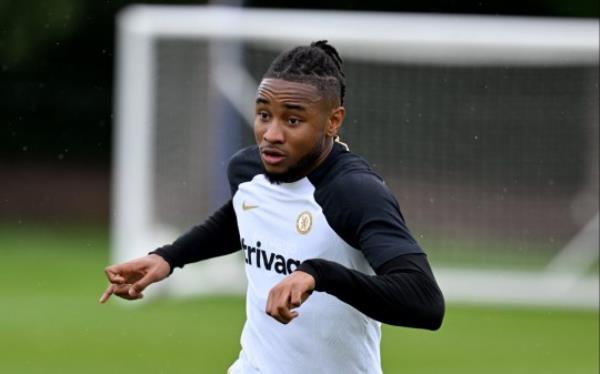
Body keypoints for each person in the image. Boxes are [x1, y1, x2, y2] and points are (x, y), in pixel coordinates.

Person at [100, 40, 444, 374]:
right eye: (264, 115)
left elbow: (425, 302)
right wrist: (169, 257)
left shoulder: (354, 192)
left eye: (292, 121)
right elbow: (242, 219)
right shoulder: (248, 172)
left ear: (333, 121)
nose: (271, 134)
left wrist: (319, 275)